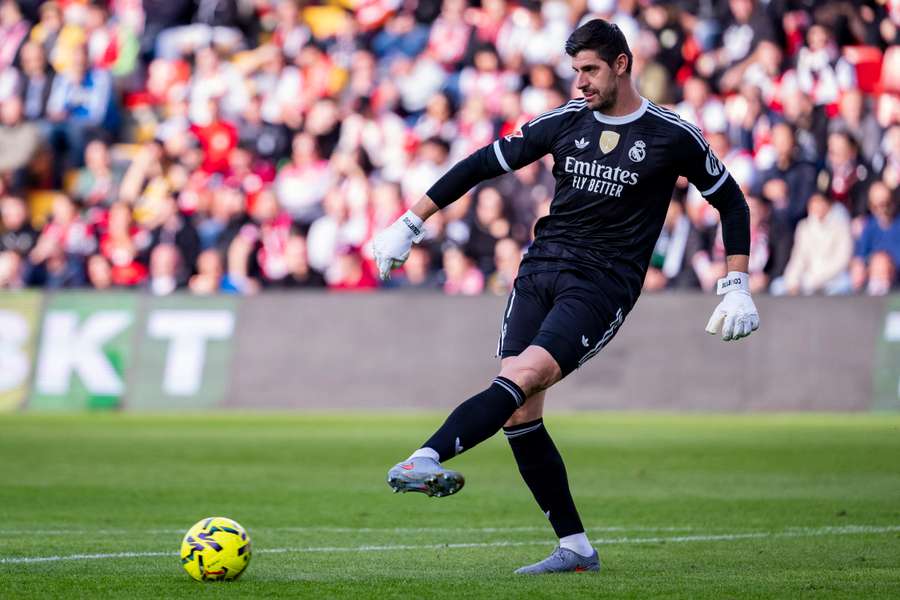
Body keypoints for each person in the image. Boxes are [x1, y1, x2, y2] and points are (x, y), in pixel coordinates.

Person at [372, 19, 759, 575]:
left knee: (522, 377)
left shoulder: (673, 134)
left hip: (602, 285)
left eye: (591, 69)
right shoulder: (565, 122)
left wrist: (737, 284)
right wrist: (411, 222)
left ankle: (425, 455)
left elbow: (733, 203)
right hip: (539, 271)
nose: (580, 81)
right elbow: (482, 163)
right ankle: (576, 548)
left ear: (622, 64)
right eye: (575, 70)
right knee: (519, 410)